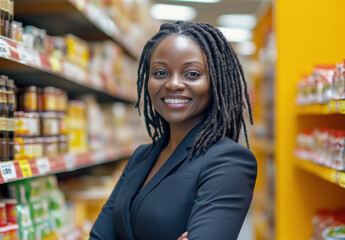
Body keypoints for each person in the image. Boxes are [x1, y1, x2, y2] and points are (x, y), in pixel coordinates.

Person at [90, 21, 257, 240]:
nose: (173, 84)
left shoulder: (229, 162)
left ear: (215, 82)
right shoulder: (141, 157)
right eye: (160, 72)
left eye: (192, 74)